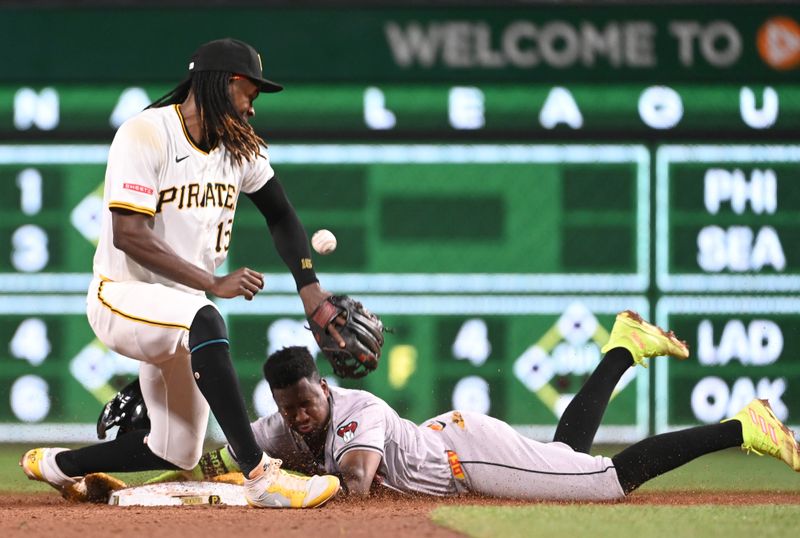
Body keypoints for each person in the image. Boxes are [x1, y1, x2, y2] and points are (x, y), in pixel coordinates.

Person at [19, 37, 343, 509]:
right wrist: (212, 282)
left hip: (179, 315)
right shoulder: (147, 133)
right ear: (228, 84)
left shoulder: (238, 149)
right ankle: (259, 474)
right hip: (123, 297)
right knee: (206, 316)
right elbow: (128, 234)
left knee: (176, 448)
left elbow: (281, 214)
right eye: (250, 94)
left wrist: (310, 289)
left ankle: (57, 466)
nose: (253, 110)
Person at [147, 310, 800, 500]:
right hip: (446, 446)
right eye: (288, 410)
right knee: (566, 457)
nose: (298, 418)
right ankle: (624, 347)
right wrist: (197, 475)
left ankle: (745, 425)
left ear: (322, 385)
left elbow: (354, 487)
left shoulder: (356, 411)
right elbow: (232, 453)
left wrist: (272, 485)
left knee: (604, 481)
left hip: (468, 458)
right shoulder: (284, 422)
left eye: (305, 403)